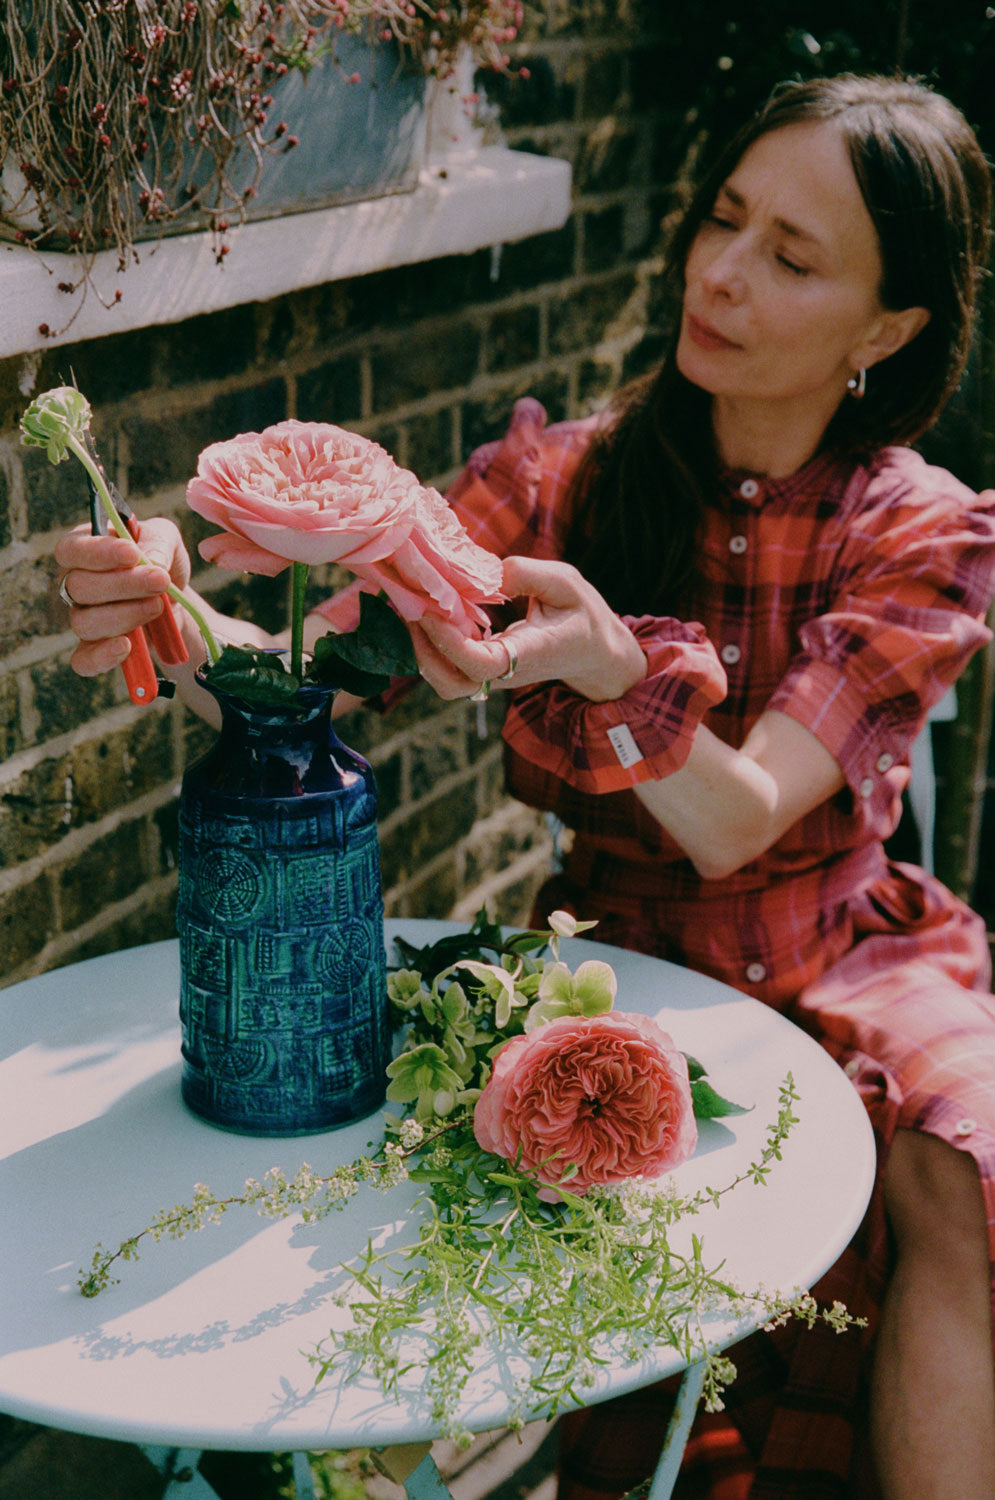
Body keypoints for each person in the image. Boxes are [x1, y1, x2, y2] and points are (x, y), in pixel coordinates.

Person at [54, 73, 995, 1500]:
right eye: (722, 220)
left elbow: (748, 816)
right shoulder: (560, 479)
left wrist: (627, 679)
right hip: (617, 962)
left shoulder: (917, 530)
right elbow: (325, 665)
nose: (721, 275)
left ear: (888, 327)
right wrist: (168, 606)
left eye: (791, 258)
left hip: (847, 945)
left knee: (956, 1171)